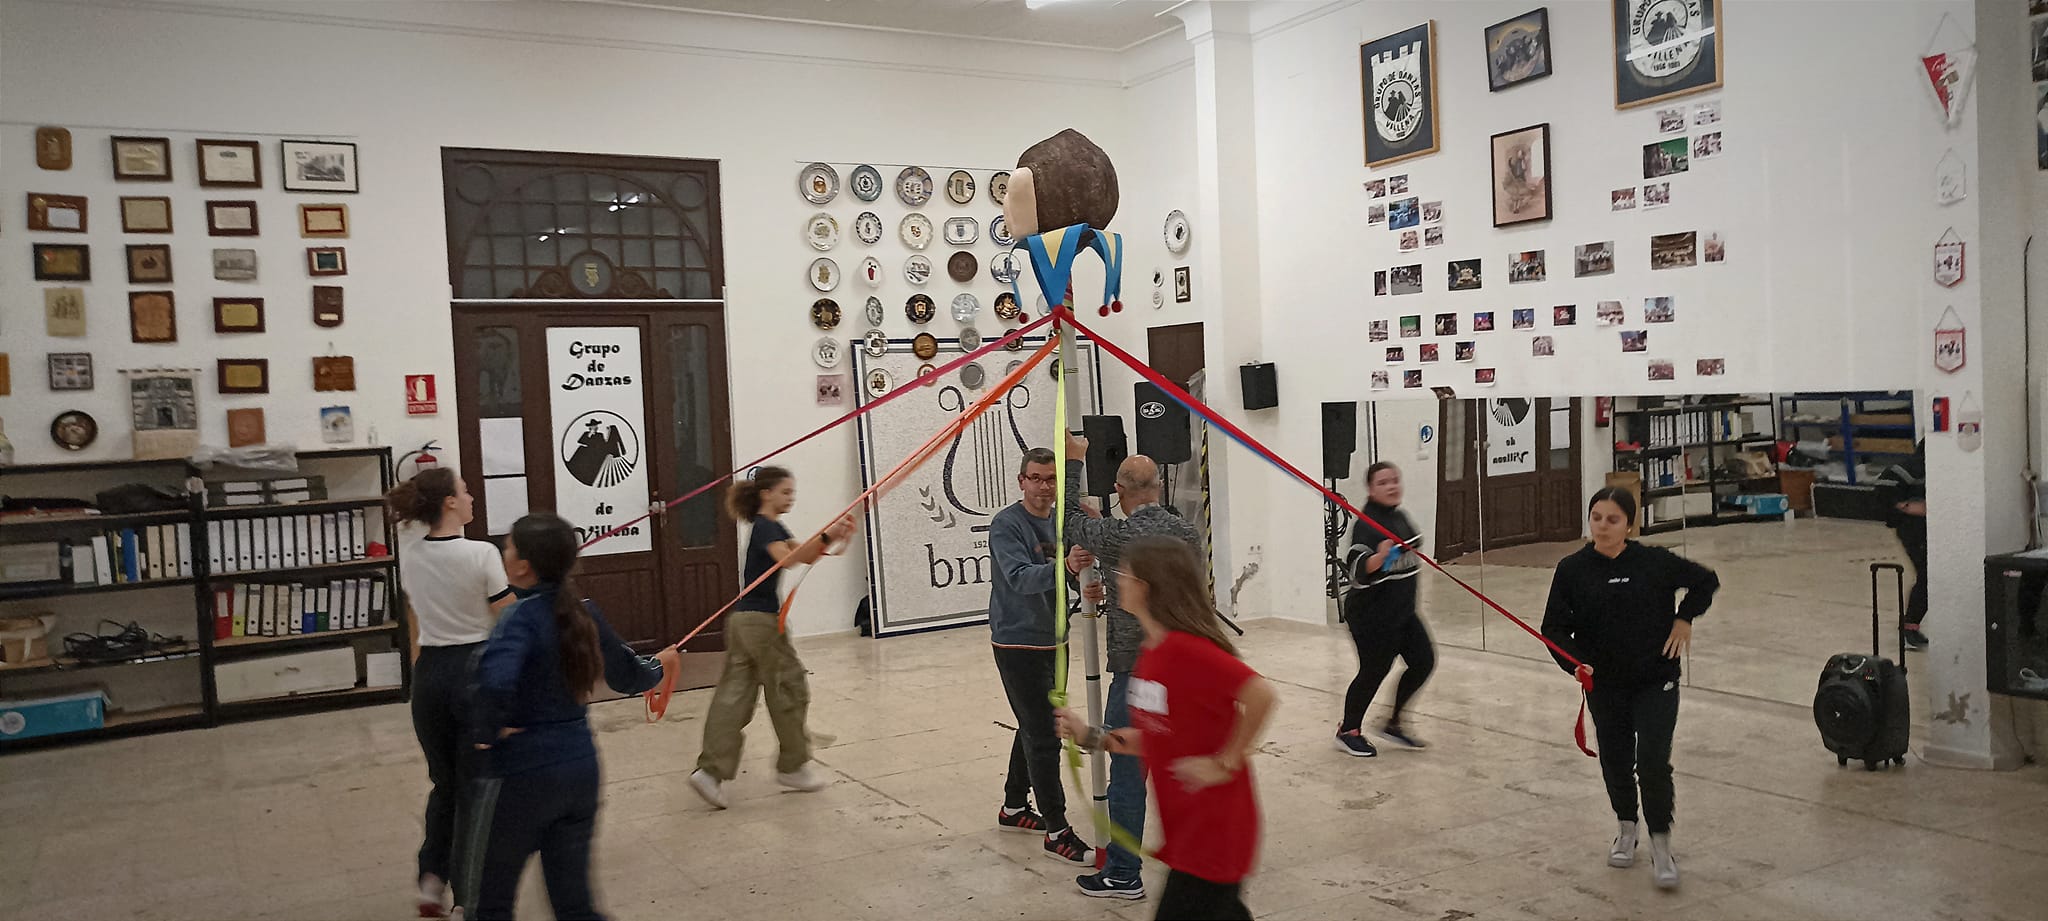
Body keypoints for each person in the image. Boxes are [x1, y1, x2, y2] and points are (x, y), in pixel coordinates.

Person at [464, 513, 680, 920]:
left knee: (489, 905)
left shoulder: (519, 617)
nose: (504, 552)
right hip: (580, 768)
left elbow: (494, 684)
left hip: (523, 774)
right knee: (574, 906)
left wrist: (485, 734)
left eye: (508, 546)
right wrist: (659, 666)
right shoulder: (585, 612)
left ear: (522, 565)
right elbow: (629, 675)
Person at [1056, 537, 1278, 921]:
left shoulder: (1188, 650)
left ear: (1145, 586)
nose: (1116, 580)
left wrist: (1224, 761)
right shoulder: (1152, 652)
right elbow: (1158, 735)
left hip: (1216, 830)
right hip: (1186, 828)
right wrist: (1090, 736)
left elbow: (1261, 695)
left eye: (1123, 573)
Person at [1541, 488, 1719, 890]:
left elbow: (1705, 581)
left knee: (1654, 762)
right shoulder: (1572, 569)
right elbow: (1552, 628)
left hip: (1656, 678)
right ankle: (1626, 826)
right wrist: (1574, 663)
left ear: (1629, 525)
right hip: (1604, 684)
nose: (1602, 526)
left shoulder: (1654, 561)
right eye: (1596, 517)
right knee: (1616, 761)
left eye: (1612, 519)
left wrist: (1684, 618)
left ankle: (1660, 841)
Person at [1061, 432, 1203, 900]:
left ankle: (1123, 871)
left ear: (1119, 491)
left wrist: (1075, 461)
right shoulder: (1184, 530)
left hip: (1136, 667)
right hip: (1183, 663)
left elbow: (1067, 525)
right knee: (1182, 761)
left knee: (1127, 766)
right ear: (1159, 486)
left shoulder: (1115, 534)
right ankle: (1194, 860)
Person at [384, 468, 514, 919]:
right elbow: (507, 617)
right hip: (474, 673)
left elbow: (422, 615)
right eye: (464, 491)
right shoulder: (482, 553)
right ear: (449, 504)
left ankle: (431, 879)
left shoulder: (411, 556)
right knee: (475, 790)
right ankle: (467, 898)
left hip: (430, 678)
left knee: (445, 785)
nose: (471, 495)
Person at [689, 466, 856, 808]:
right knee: (790, 686)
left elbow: (804, 554)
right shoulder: (766, 526)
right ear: (766, 494)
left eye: (792, 492)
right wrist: (826, 538)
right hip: (760, 623)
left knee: (735, 695)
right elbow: (789, 559)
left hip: (743, 623)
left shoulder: (770, 527)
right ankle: (793, 765)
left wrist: (834, 534)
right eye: (785, 492)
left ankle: (709, 772)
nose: (790, 498)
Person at [985, 447, 1100, 864]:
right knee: (1045, 732)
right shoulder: (1006, 525)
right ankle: (1056, 829)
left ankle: (1014, 807)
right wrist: (1065, 569)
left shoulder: (1058, 522)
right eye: (1035, 478)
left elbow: (1060, 577)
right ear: (1021, 481)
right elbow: (1018, 578)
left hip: (1055, 640)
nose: (1043, 486)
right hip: (1017, 642)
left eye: (1050, 479)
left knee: (1033, 724)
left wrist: (1080, 584)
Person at [1335, 462, 1436, 757]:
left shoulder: (1400, 517)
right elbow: (1357, 570)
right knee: (1374, 670)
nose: (1392, 487)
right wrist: (1378, 558)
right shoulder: (1366, 525)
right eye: (1383, 483)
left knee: (1424, 661)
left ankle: (1393, 723)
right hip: (1371, 616)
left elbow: (1410, 549)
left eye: (1395, 480)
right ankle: (1347, 731)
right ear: (1370, 489)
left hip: (1402, 612)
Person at [1887, 440, 1929, 649]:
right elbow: (1881, 491)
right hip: (1913, 529)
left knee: (1930, 575)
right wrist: (1905, 507)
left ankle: (1911, 625)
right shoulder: (1909, 468)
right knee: (1927, 575)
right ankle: (1909, 628)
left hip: (1930, 528)